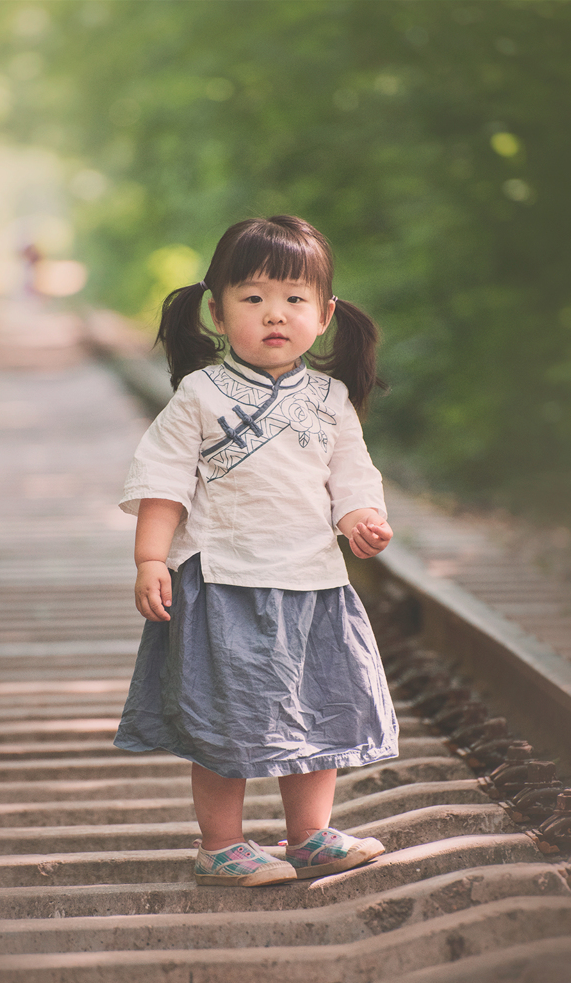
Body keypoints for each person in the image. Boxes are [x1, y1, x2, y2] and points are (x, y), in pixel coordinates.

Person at [114, 215, 399, 887]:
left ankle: (309, 836)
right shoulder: (200, 394)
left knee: (318, 709)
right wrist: (151, 559)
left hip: (313, 583)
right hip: (224, 583)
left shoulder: (330, 399)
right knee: (225, 717)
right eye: (253, 298)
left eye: (294, 299)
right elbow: (163, 484)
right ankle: (220, 844)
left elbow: (352, 475)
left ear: (323, 316)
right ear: (217, 313)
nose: (275, 314)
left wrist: (362, 517)